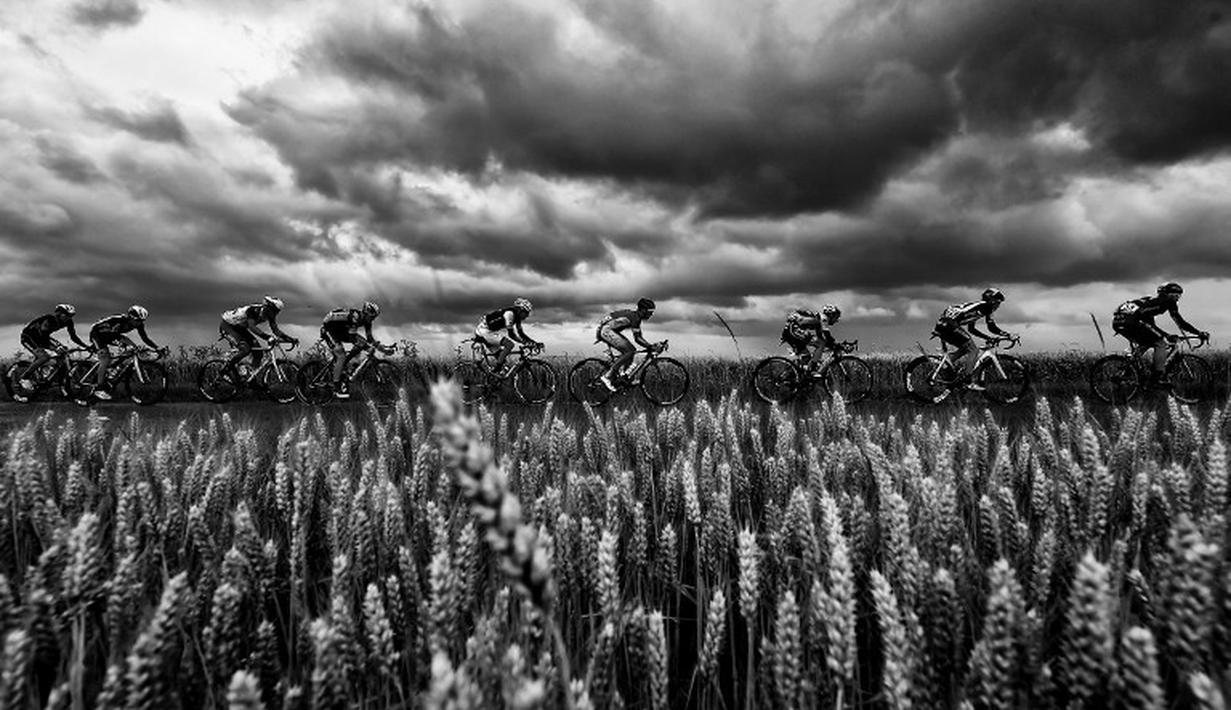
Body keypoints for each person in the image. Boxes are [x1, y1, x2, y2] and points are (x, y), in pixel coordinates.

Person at [1112, 282, 1208, 385]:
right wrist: (1198, 333)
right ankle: (1157, 377)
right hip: (1132, 321)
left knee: (1149, 340)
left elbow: (1177, 322)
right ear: (1168, 294)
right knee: (1160, 342)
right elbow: (1143, 316)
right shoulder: (1165, 301)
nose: (1178, 297)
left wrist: (1196, 332)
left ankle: (1130, 367)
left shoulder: (1153, 301)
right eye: (1175, 294)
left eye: (1180, 294)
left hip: (1119, 321)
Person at [934, 288, 1015, 388]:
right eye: (998, 303)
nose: (998, 306)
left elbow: (972, 329)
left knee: (965, 348)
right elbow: (992, 327)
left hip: (943, 324)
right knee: (973, 350)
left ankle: (946, 365)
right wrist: (1008, 335)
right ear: (992, 300)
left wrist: (987, 337)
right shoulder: (985, 307)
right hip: (950, 324)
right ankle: (968, 381)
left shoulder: (978, 309)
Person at [88, 305, 163, 400]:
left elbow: (145, 338)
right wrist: (122, 345)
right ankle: (98, 389)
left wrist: (157, 348)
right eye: (137, 320)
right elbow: (99, 328)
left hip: (113, 335)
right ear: (131, 317)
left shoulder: (139, 324)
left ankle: (111, 373)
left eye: (141, 321)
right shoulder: (119, 319)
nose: (139, 323)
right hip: (97, 334)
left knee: (133, 349)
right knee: (105, 359)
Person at [219, 295, 298, 382]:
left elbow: (276, 331)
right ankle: (225, 371)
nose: (275, 314)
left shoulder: (270, 315)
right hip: (228, 326)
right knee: (245, 349)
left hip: (240, 328)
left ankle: (252, 379)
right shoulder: (254, 310)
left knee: (258, 353)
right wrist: (267, 337)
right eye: (275, 310)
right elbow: (252, 327)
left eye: (277, 311)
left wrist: (290, 339)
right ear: (268, 307)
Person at [17, 304, 90, 391]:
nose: (69, 317)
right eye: (67, 315)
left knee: (62, 354)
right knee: (44, 356)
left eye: (71, 316)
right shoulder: (49, 319)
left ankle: (46, 374)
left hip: (42, 338)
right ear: (59, 313)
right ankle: (24, 378)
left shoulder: (68, 321)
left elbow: (73, 336)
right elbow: (43, 335)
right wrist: (57, 345)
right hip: (28, 337)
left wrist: (86, 346)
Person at [321, 300, 383, 399]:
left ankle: (344, 368)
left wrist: (382, 348)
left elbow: (370, 339)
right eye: (372, 317)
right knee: (341, 355)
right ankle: (336, 387)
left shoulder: (367, 321)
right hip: (328, 328)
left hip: (341, 330)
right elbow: (352, 337)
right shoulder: (355, 317)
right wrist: (366, 347)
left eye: (374, 317)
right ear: (366, 313)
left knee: (360, 345)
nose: (373, 319)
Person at [596, 297, 658, 391]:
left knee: (631, 351)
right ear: (643, 310)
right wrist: (651, 346)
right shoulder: (635, 318)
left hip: (606, 329)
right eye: (650, 311)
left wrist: (649, 346)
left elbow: (638, 338)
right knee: (630, 351)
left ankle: (625, 377)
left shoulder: (634, 316)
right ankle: (607, 376)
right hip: (606, 330)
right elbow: (638, 339)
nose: (651, 314)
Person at [475, 298, 541, 375]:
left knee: (502, 359)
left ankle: (492, 379)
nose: (527, 316)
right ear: (520, 310)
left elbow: (521, 333)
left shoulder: (517, 318)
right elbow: (511, 335)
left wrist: (533, 342)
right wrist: (524, 342)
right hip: (484, 331)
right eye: (526, 313)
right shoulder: (509, 314)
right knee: (509, 344)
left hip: (489, 331)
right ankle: (496, 369)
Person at [781, 304, 842, 371]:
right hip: (793, 329)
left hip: (790, 330)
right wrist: (835, 344)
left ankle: (798, 374)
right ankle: (813, 366)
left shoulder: (818, 320)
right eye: (836, 317)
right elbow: (827, 335)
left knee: (806, 358)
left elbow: (821, 337)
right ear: (831, 315)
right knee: (821, 343)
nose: (836, 320)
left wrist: (831, 345)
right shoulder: (824, 318)